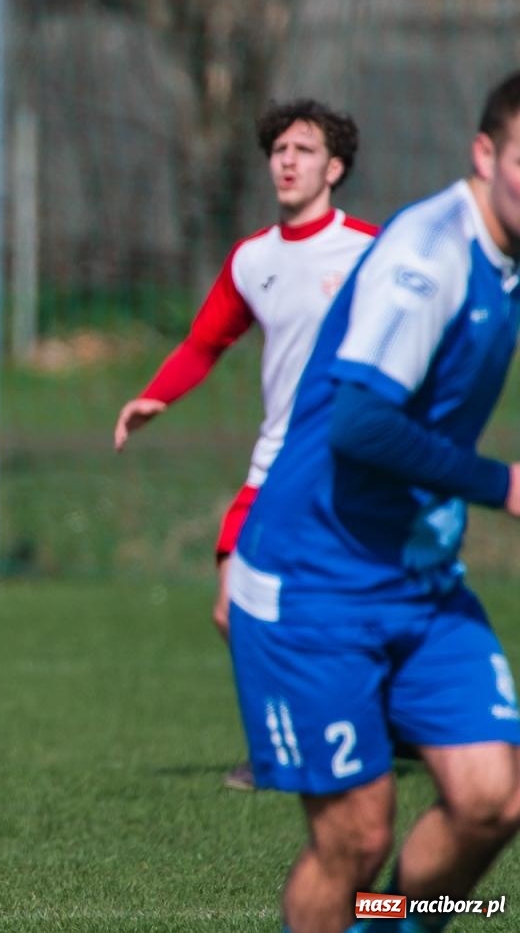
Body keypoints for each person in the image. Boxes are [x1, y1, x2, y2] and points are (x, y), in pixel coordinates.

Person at [226, 72, 520, 932]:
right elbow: (359, 424)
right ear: (485, 153)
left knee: (491, 801)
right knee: (355, 842)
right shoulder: (429, 254)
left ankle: (387, 926)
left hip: (417, 579)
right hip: (313, 579)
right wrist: (502, 483)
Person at [114, 99, 376, 790]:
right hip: (275, 463)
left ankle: (308, 746)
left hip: (350, 465)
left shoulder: (371, 252)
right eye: (279, 149)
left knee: (342, 611)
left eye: (305, 150)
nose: (288, 161)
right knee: (232, 610)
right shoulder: (252, 258)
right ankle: (300, 740)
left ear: (335, 167)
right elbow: (205, 342)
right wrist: (155, 397)